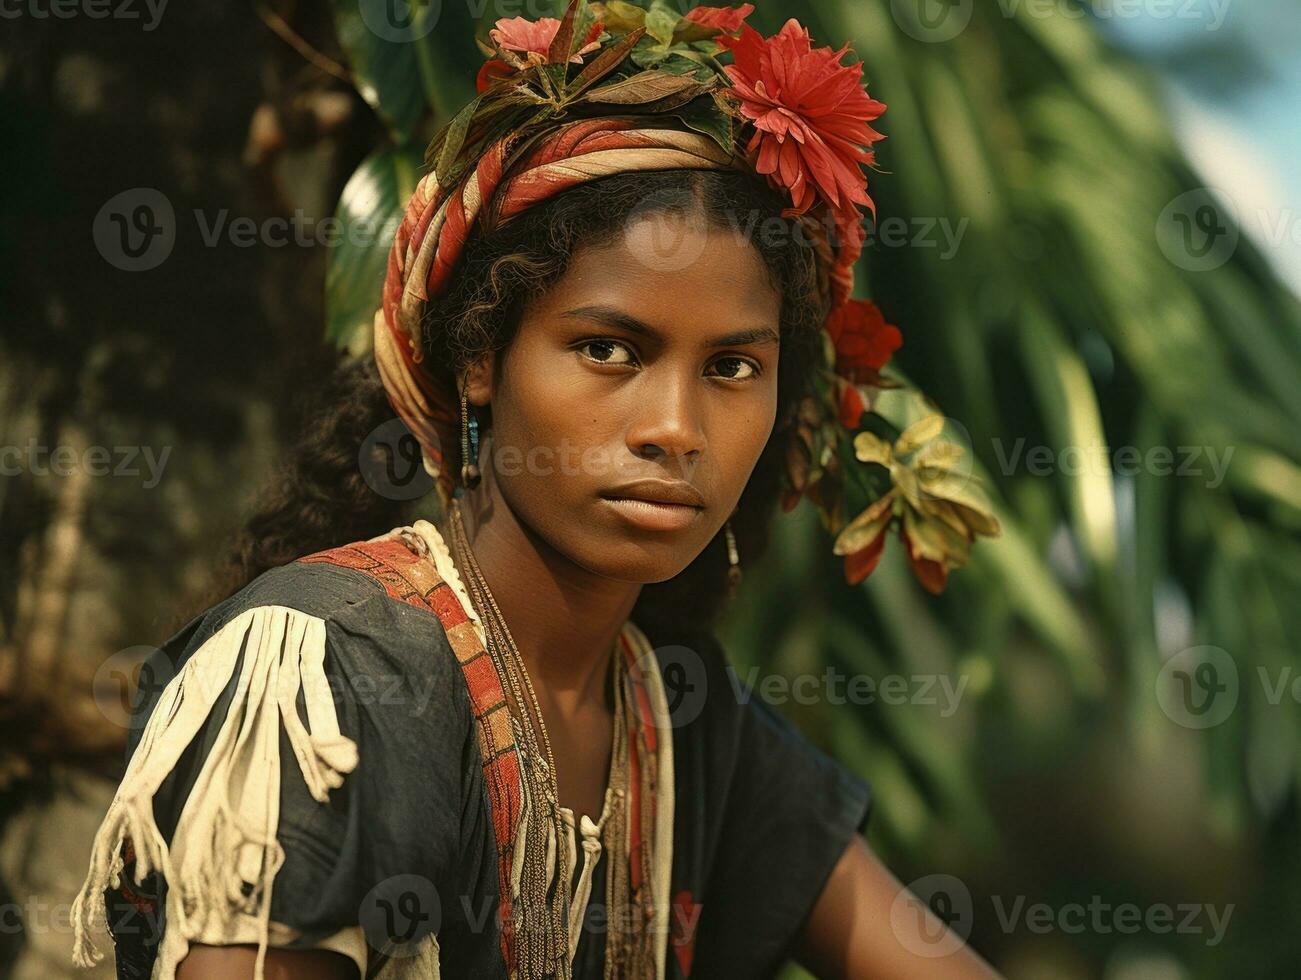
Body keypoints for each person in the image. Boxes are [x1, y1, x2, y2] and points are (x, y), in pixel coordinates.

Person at [71, 4, 1001, 978]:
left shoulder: (679, 719)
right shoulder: (320, 677)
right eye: (608, 349)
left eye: (730, 367)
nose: (675, 428)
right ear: (481, 357)